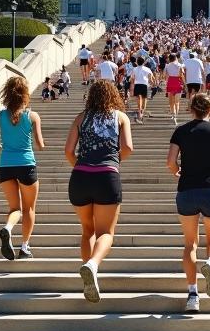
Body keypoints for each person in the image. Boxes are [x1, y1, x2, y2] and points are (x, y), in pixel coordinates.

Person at [64, 80, 134, 302]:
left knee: (87, 231)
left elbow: (68, 150)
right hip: (107, 176)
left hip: (80, 177)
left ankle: (89, 273)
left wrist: (80, 164)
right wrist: (113, 161)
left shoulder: (81, 118)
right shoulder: (120, 118)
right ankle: (93, 265)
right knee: (106, 232)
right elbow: (128, 148)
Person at [167, 93, 210, 313]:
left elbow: (170, 162)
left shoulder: (181, 131)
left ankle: (193, 294)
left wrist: (178, 172)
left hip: (187, 190)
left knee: (190, 244)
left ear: (190, 109)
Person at [0, 76, 45, 260]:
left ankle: (8, 228)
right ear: (25, 94)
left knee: (15, 208)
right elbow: (40, 144)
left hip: (5, 166)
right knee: (29, 209)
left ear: (7, 93)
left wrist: (5, 149)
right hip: (26, 164)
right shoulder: (32, 115)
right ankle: (25, 247)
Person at [131, 57, 155, 124]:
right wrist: (153, 84)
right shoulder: (147, 69)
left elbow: (132, 79)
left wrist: (132, 87)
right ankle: (142, 112)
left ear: (137, 62)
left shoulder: (134, 69)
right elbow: (151, 78)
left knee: (139, 99)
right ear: (143, 62)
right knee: (144, 99)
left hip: (137, 85)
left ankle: (139, 112)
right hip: (144, 85)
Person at [164, 52, 186, 122]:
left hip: (170, 82)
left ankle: (173, 114)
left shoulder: (167, 66)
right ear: (176, 58)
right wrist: (185, 84)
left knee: (171, 101)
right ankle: (176, 114)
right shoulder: (180, 65)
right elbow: (181, 75)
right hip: (178, 82)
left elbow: (165, 75)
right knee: (177, 101)